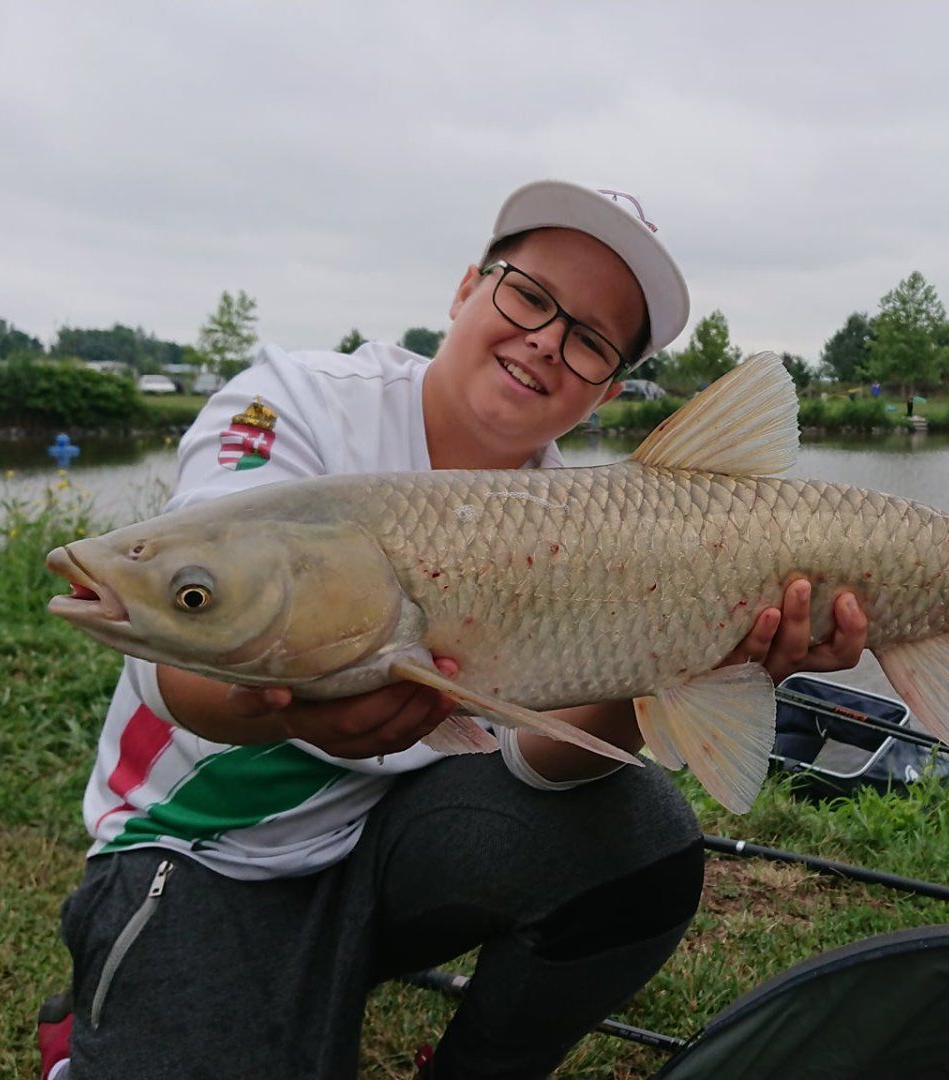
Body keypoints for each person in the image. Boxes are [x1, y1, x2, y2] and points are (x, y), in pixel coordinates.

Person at [45, 181, 871, 1080]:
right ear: (467, 287)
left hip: (390, 850)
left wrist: (699, 660)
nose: (546, 341)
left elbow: (529, 766)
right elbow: (186, 658)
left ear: (609, 389)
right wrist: (293, 712)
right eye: (528, 295)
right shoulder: (298, 403)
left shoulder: (588, 516)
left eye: (590, 340)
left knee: (642, 836)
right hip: (208, 851)